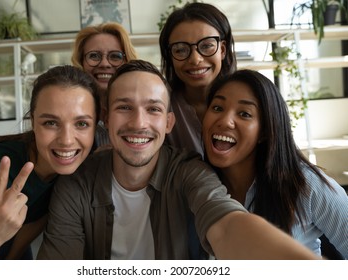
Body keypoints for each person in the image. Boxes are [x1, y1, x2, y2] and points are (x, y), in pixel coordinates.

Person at [37, 60, 318, 260]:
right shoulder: (77, 183)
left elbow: (227, 225)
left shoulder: (188, 171)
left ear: (169, 122)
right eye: (124, 107)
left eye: (153, 109)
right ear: (106, 119)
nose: (138, 123)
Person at [202, 69, 348, 259]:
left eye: (244, 114)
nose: (225, 121)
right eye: (217, 108)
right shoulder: (198, 183)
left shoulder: (306, 185)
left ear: (265, 131)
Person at [0, 65, 100, 260]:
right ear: (32, 121)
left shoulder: (80, 170)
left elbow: (14, 255)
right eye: (51, 123)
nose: (67, 140)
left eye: (82, 124)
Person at [159, 2, 237, 156]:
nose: (195, 59)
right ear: (170, 56)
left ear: (222, 49)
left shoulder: (251, 98)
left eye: (207, 46)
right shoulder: (161, 106)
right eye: (181, 50)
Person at [72, 22, 138, 148]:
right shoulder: (69, 110)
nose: (104, 64)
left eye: (115, 56)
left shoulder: (144, 111)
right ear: (81, 63)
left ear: (128, 61)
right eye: (94, 56)